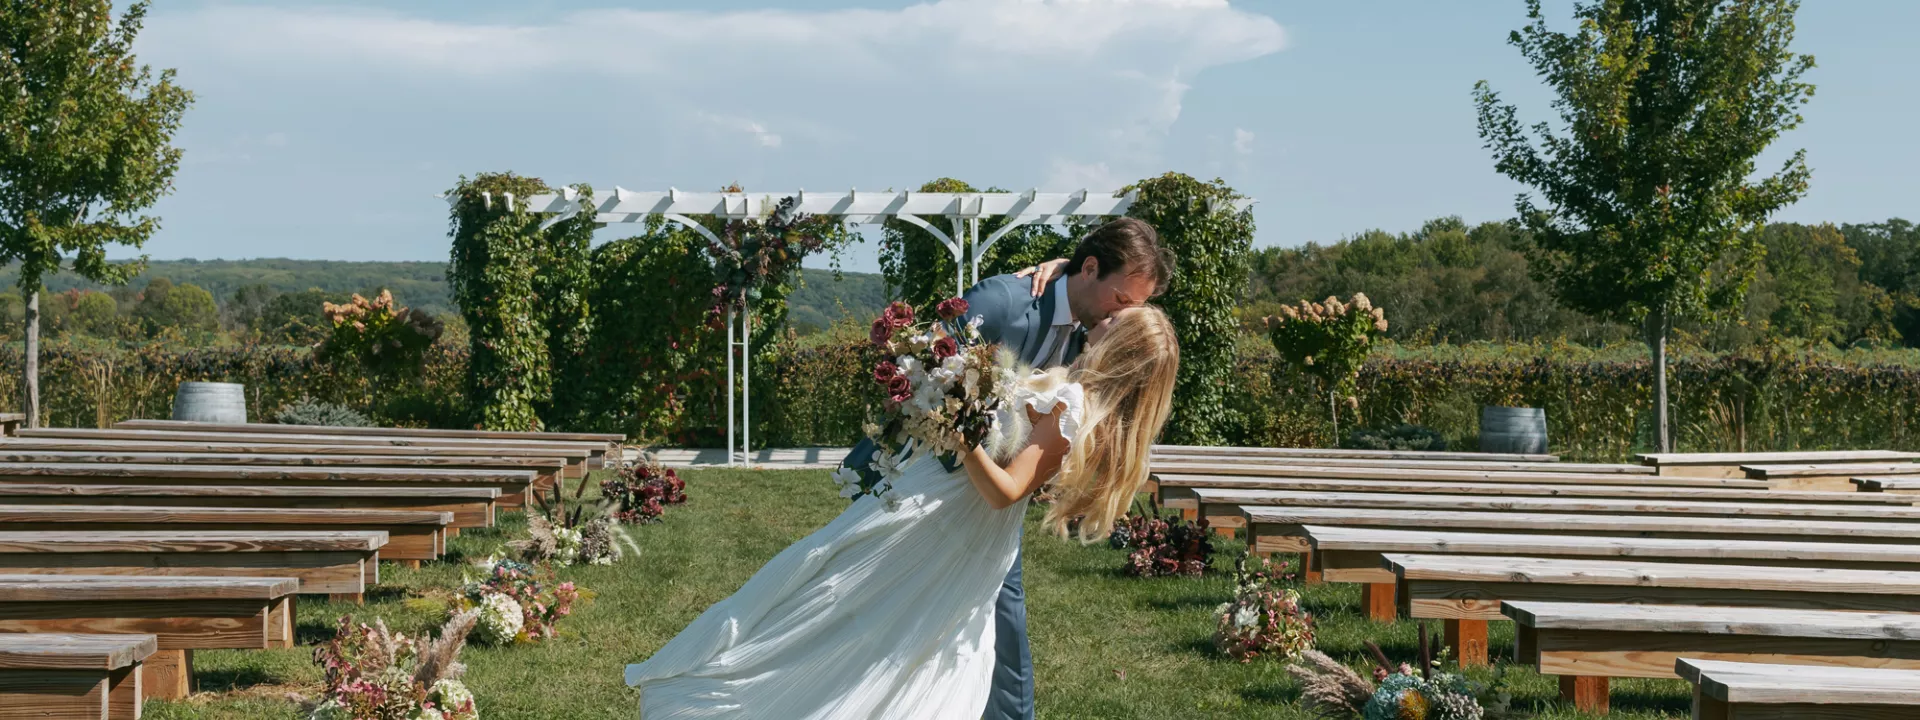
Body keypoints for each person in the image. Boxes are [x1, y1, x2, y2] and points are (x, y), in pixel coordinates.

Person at [624, 303, 1181, 719]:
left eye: (1117, 318)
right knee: (878, 620)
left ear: (1122, 344)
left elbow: (1006, 489)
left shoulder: (1074, 405)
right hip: (958, 525)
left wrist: (963, 430)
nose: (1105, 317)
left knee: (838, 598)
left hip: (949, 524)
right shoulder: (1077, 396)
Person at [843, 216, 1172, 720]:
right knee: (894, 624)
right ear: (1088, 269)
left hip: (991, 510)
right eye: (1124, 301)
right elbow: (914, 381)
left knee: (1002, 640)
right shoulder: (1004, 302)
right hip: (921, 491)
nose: (1125, 315)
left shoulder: (1096, 331)